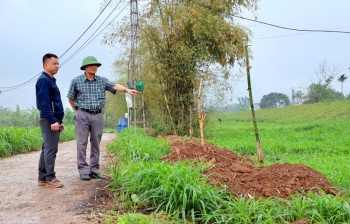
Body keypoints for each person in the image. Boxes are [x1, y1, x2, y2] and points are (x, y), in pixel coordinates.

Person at [67, 56, 137, 180]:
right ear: (85, 67)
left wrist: (126, 89)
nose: (94, 67)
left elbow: (114, 86)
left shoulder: (102, 81)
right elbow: (70, 98)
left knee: (96, 143)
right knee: (81, 143)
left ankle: (94, 169)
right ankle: (83, 170)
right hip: (82, 114)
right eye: (91, 65)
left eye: (96, 65)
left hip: (98, 115)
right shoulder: (76, 81)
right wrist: (77, 111)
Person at [36, 53, 65, 188]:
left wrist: (59, 121)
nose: (57, 66)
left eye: (58, 63)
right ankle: (50, 178)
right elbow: (44, 103)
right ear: (45, 65)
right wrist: (53, 121)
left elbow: (53, 103)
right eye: (54, 63)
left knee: (46, 148)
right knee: (51, 149)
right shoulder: (44, 80)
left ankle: (42, 177)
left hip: (52, 119)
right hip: (49, 119)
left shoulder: (50, 80)